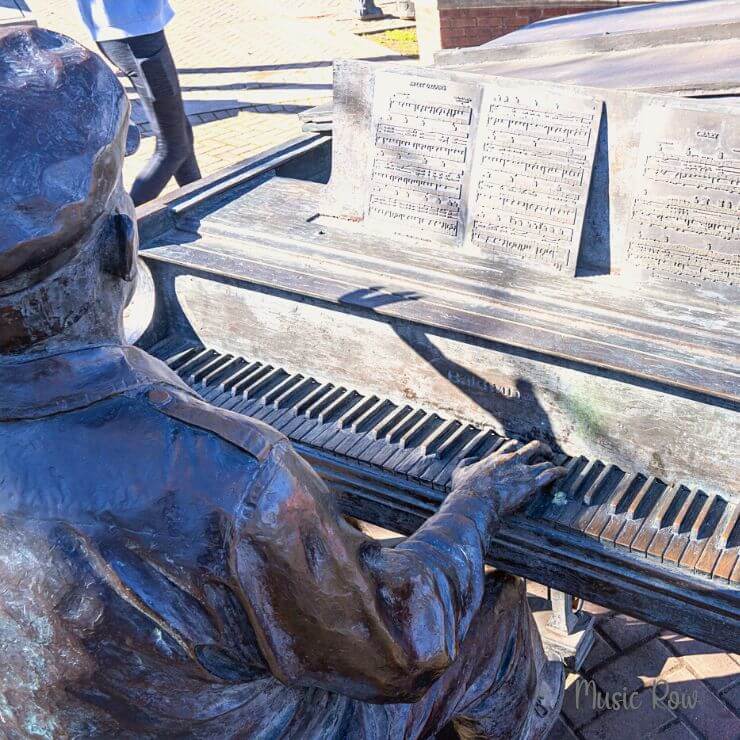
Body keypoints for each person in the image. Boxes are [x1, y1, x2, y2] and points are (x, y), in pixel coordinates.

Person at [0, 27, 566, 739]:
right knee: (493, 605)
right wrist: (472, 506)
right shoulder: (223, 473)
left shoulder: (221, 471)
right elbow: (403, 650)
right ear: (120, 251)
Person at [75, 0, 201, 205]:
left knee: (180, 131)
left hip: (129, 29)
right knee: (173, 147)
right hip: (135, 34)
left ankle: (201, 198)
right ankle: (130, 222)